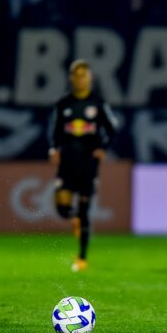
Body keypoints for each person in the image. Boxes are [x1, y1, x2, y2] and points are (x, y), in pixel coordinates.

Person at [48, 59, 117, 272]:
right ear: (71, 78)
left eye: (83, 75)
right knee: (62, 207)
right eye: (76, 75)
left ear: (90, 79)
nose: (79, 79)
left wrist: (103, 148)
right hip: (67, 161)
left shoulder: (97, 103)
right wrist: (54, 149)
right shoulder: (63, 104)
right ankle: (73, 217)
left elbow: (112, 128)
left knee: (85, 208)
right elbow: (55, 130)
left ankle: (82, 258)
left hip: (88, 162)